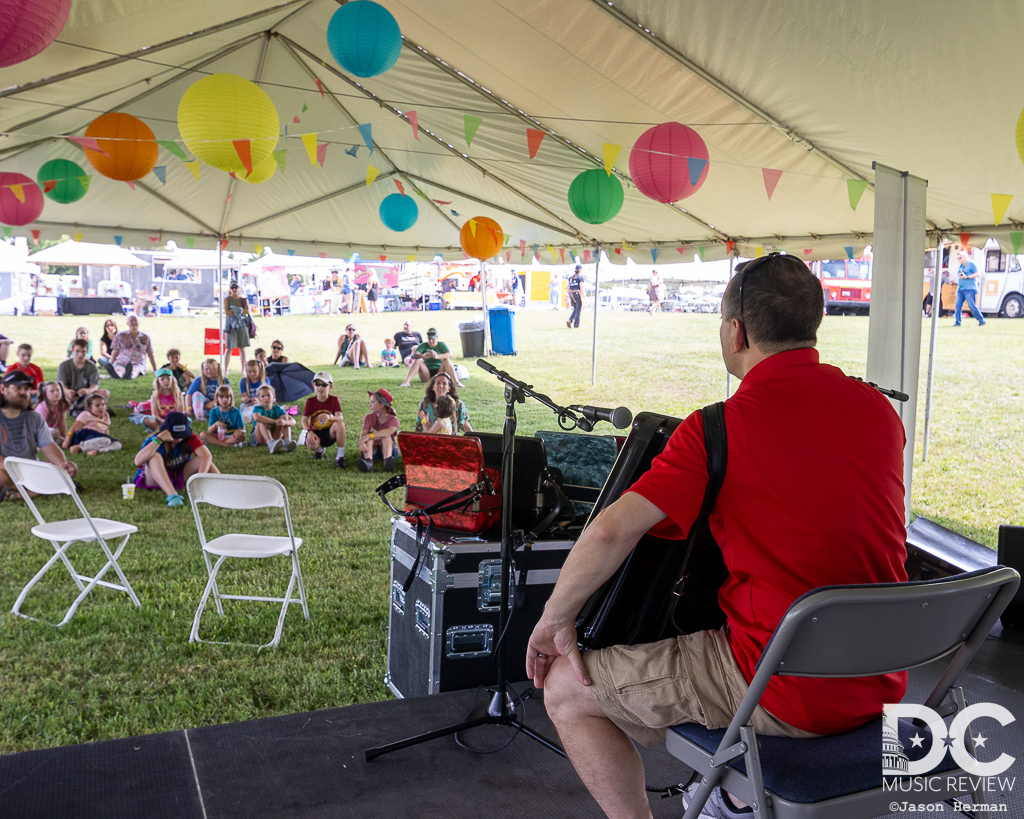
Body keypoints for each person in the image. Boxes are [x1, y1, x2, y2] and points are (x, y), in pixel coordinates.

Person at [525, 254, 908, 819]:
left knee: (563, 687)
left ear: (737, 331)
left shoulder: (716, 428)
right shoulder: (881, 412)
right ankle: (733, 795)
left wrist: (553, 620)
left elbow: (609, 533)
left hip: (783, 690)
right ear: (812, 324)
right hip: (883, 680)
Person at [0, 369, 78, 501]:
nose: (24, 393)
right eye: (18, 388)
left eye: (26, 389)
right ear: (3, 389)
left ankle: (19, 492)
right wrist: (19, 472)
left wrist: (62, 465)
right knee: (2, 476)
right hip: (6, 470)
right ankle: (32, 490)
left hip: (29, 470)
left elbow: (48, 445)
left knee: (72, 468)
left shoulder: (34, 417)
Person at [133, 411, 219, 508]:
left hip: (179, 475)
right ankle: (173, 495)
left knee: (205, 460)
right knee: (154, 456)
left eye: (181, 435)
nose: (178, 439)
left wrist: (198, 482)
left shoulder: (189, 437)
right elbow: (137, 461)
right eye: (174, 436)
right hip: (155, 478)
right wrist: (159, 440)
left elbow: (206, 456)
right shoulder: (155, 440)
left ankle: (221, 486)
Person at [301, 371, 346, 466]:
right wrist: (309, 432)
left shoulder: (334, 400)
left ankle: (340, 456)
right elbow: (304, 420)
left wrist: (330, 417)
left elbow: (340, 418)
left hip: (329, 433)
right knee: (311, 444)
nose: (320, 387)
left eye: (324, 385)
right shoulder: (310, 401)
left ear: (330, 387)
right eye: (317, 384)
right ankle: (319, 449)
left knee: (340, 424)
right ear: (313, 386)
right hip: (315, 433)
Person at [58, 338, 110, 416]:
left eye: (83, 352)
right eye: (77, 351)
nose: (80, 354)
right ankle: (85, 404)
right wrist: (67, 391)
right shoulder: (64, 366)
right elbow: (62, 384)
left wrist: (88, 391)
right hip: (70, 394)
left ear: (87, 351)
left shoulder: (92, 366)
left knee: (105, 393)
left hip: (86, 394)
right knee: (57, 394)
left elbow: (95, 385)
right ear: (72, 350)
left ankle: (79, 404)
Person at [356, 388, 398, 473]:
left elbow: (389, 431)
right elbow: (363, 433)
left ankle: (387, 462)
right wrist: (361, 442)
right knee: (369, 438)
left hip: (390, 452)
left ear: (381, 405)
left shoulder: (393, 419)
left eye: (372, 402)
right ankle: (368, 462)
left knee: (385, 436)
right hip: (372, 451)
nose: (369, 405)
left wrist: (370, 435)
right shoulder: (368, 417)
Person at [107, 314, 157, 379]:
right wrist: (111, 364)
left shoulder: (145, 337)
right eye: (131, 321)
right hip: (121, 361)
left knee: (135, 371)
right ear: (127, 323)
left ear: (139, 323)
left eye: (135, 321)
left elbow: (150, 353)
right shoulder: (120, 335)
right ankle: (118, 375)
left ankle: (130, 376)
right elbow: (115, 351)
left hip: (138, 363)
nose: (133, 323)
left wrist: (155, 369)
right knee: (119, 370)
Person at [251, 384, 296, 453]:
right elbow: (256, 418)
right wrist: (274, 421)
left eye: (268, 395)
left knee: (284, 417)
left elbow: (293, 421)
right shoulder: (257, 408)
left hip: (275, 434)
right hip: (260, 437)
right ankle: (270, 443)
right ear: (259, 399)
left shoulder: (278, 409)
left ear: (273, 396)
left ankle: (287, 442)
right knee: (261, 420)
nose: (266, 398)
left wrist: (284, 422)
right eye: (263, 396)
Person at [142, 368, 185, 432]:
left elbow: (182, 411)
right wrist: (163, 421)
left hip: (175, 420)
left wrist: (176, 420)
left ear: (172, 380)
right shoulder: (155, 396)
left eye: (168, 379)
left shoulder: (178, 394)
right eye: (162, 379)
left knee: (188, 420)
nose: (166, 381)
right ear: (158, 381)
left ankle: (162, 429)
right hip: (160, 420)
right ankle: (160, 428)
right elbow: (154, 414)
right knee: (146, 419)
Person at [223, 281, 251, 372]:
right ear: (230, 289)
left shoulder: (243, 300)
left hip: (242, 325)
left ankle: (243, 369)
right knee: (228, 348)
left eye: (236, 287)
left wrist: (235, 311)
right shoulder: (227, 300)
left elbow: (247, 311)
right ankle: (226, 369)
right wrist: (239, 311)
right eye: (232, 287)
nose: (234, 289)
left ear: (239, 288)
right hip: (230, 326)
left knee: (242, 348)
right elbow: (227, 312)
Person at [954, 250, 986, 327]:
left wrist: (967, 277)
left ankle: (982, 320)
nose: (958, 259)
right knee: (957, 305)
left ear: (965, 257)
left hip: (970, 289)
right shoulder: (961, 266)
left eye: (960, 258)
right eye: (957, 258)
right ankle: (958, 322)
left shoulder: (971, 264)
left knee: (972, 305)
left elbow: (978, 274)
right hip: (961, 289)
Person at [238, 359, 268, 424]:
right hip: (248, 404)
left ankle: (246, 416)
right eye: (249, 371)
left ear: (259, 370)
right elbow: (244, 396)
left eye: (254, 371)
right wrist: (245, 399)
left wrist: (258, 400)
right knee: (243, 406)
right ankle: (254, 416)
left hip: (261, 402)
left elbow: (267, 397)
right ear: (246, 371)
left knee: (259, 406)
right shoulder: (243, 381)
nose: (252, 374)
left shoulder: (265, 380)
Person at [567, 264, 584, 329]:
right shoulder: (580, 278)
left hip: (572, 294)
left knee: (575, 309)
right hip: (578, 294)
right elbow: (581, 288)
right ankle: (576, 325)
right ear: (580, 270)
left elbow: (566, 286)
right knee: (578, 310)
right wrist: (584, 298)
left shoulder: (571, 278)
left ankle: (570, 320)